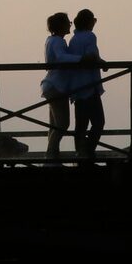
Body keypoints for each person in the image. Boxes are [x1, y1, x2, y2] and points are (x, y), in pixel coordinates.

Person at [40, 12, 82, 160]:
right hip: (57, 86)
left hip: (50, 86)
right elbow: (61, 57)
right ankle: (51, 154)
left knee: (55, 124)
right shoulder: (58, 42)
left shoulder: (50, 40)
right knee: (63, 124)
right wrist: (82, 59)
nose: (70, 25)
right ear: (61, 25)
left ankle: (52, 153)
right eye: (68, 23)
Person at [68, 9, 105, 159]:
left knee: (81, 124)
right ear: (89, 22)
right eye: (94, 20)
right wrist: (101, 63)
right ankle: (89, 151)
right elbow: (91, 56)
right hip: (90, 85)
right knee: (98, 122)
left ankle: (80, 153)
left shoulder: (73, 39)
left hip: (77, 87)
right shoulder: (90, 36)